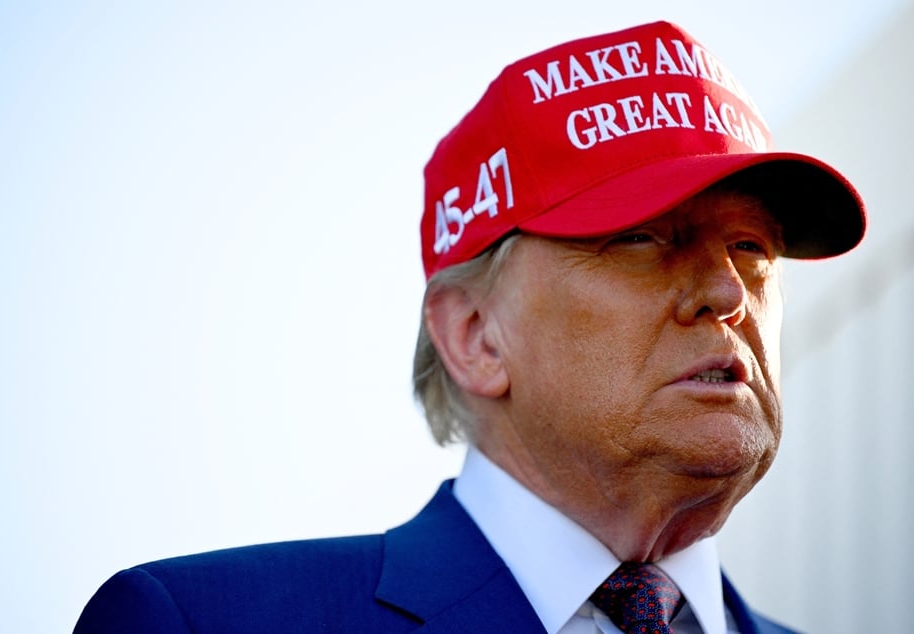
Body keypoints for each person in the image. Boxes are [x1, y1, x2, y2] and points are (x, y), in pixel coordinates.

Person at [74, 20, 865, 634]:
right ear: (475, 335)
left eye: (752, 247)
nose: (725, 289)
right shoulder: (201, 621)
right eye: (642, 238)